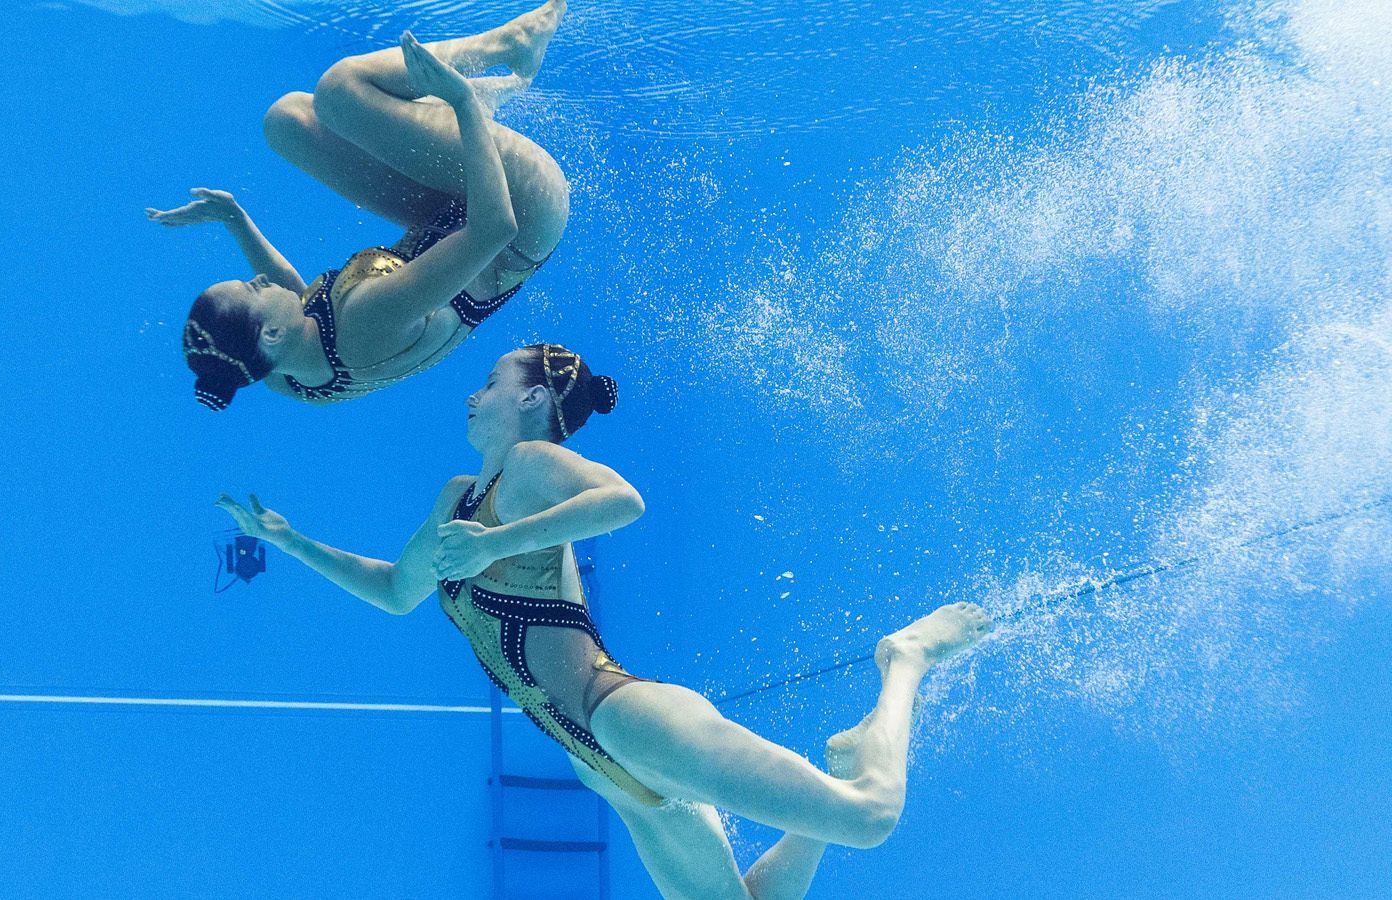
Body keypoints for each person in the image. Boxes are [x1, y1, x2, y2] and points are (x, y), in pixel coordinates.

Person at [217, 344, 993, 899]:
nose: (470, 395)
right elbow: (394, 590)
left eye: (488, 381)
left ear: (529, 400)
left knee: (870, 817)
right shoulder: (456, 499)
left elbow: (622, 502)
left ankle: (905, 658)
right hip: (599, 765)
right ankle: (846, 750)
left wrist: (500, 540)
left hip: (621, 716)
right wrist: (290, 543)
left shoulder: (529, 467)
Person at [149, 2, 570, 411]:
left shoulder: (281, 374)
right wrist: (462, 105)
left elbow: (300, 301)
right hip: (522, 210)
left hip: (445, 217)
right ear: (272, 333)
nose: (257, 278)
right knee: (341, 89)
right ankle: (508, 46)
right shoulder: (369, 320)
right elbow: (495, 228)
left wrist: (236, 221)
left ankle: (447, 114)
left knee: (287, 122)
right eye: (252, 289)